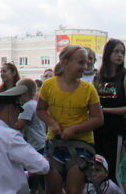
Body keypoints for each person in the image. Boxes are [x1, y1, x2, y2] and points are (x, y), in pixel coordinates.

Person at [38, 44, 104, 194]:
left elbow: (98, 118)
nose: (85, 67)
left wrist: (74, 129)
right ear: (65, 62)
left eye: (86, 63)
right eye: (80, 63)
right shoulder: (49, 85)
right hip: (55, 143)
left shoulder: (88, 89)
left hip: (80, 145)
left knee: (74, 190)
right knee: (53, 189)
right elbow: (40, 110)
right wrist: (53, 123)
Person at [0, 84, 49, 194]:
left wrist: (26, 174)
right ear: (11, 109)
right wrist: (46, 158)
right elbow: (43, 166)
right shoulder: (10, 136)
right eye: (19, 110)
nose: (18, 116)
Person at [94, 38, 126, 184]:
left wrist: (105, 110)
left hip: (116, 129)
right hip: (98, 128)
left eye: (122, 52)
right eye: (116, 52)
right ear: (108, 54)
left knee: (112, 170)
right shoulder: (98, 77)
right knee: (97, 169)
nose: (119, 55)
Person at [15, 78, 46, 152]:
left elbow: (19, 126)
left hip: (36, 145)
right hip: (42, 142)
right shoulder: (35, 104)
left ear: (24, 93)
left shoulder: (27, 106)